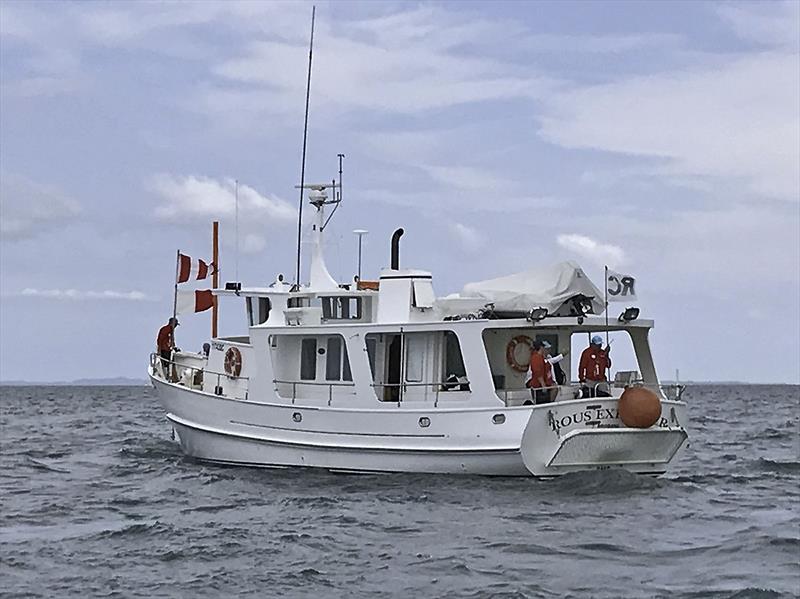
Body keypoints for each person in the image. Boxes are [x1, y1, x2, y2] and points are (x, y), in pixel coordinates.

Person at [528, 340, 558, 405]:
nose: (548, 350)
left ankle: (550, 404)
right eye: (546, 348)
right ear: (541, 348)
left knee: (554, 388)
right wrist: (543, 384)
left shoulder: (541, 358)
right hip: (538, 386)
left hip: (541, 385)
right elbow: (537, 372)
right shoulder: (536, 357)